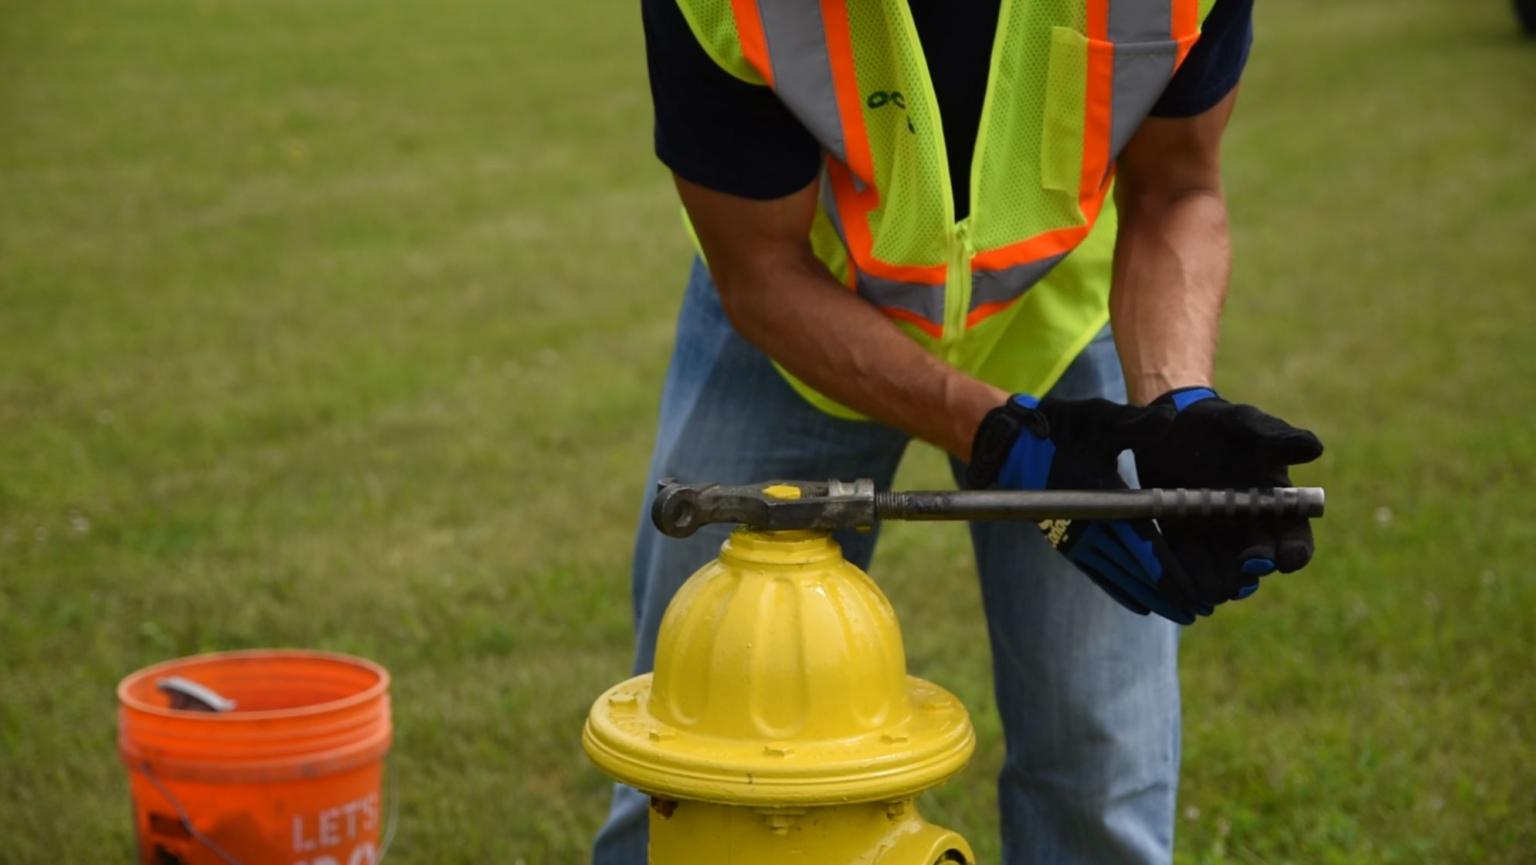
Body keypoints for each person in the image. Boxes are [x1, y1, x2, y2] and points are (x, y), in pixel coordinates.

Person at [593, 0, 1324, 862]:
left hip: (1056, 317)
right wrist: (1000, 438)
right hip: (796, 313)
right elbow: (759, 266)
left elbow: (1177, 185)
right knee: (698, 750)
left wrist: (1174, 415)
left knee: (1100, 770)